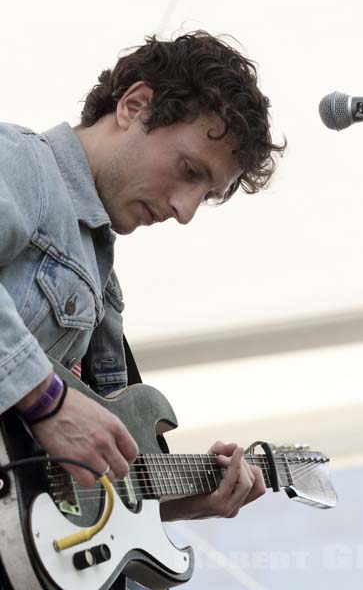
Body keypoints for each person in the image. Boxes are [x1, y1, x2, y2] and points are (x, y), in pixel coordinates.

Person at [0, 31, 284, 588]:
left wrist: (169, 499)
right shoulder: (23, 164)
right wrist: (46, 398)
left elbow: (52, 471)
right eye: (189, 170)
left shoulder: (104, 280)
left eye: (204, 194)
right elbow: (49, 413)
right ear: (134, 106)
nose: (184, 210)